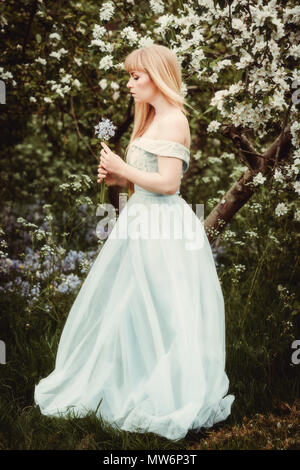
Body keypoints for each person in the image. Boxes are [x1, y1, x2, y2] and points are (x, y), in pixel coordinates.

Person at [34, 44, 235, 441]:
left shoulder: (174, 119)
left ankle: (168, 392)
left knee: (162, 307)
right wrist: (119, 178)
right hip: (140, 221)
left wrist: (125, 168)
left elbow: (170, 184)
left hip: (163, 228)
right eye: (129, 76)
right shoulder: (151, 120)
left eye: (135, 76)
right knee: (131, 307)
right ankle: (131, 380)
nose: (129, 84)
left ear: (157, 77)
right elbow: (146, 176)